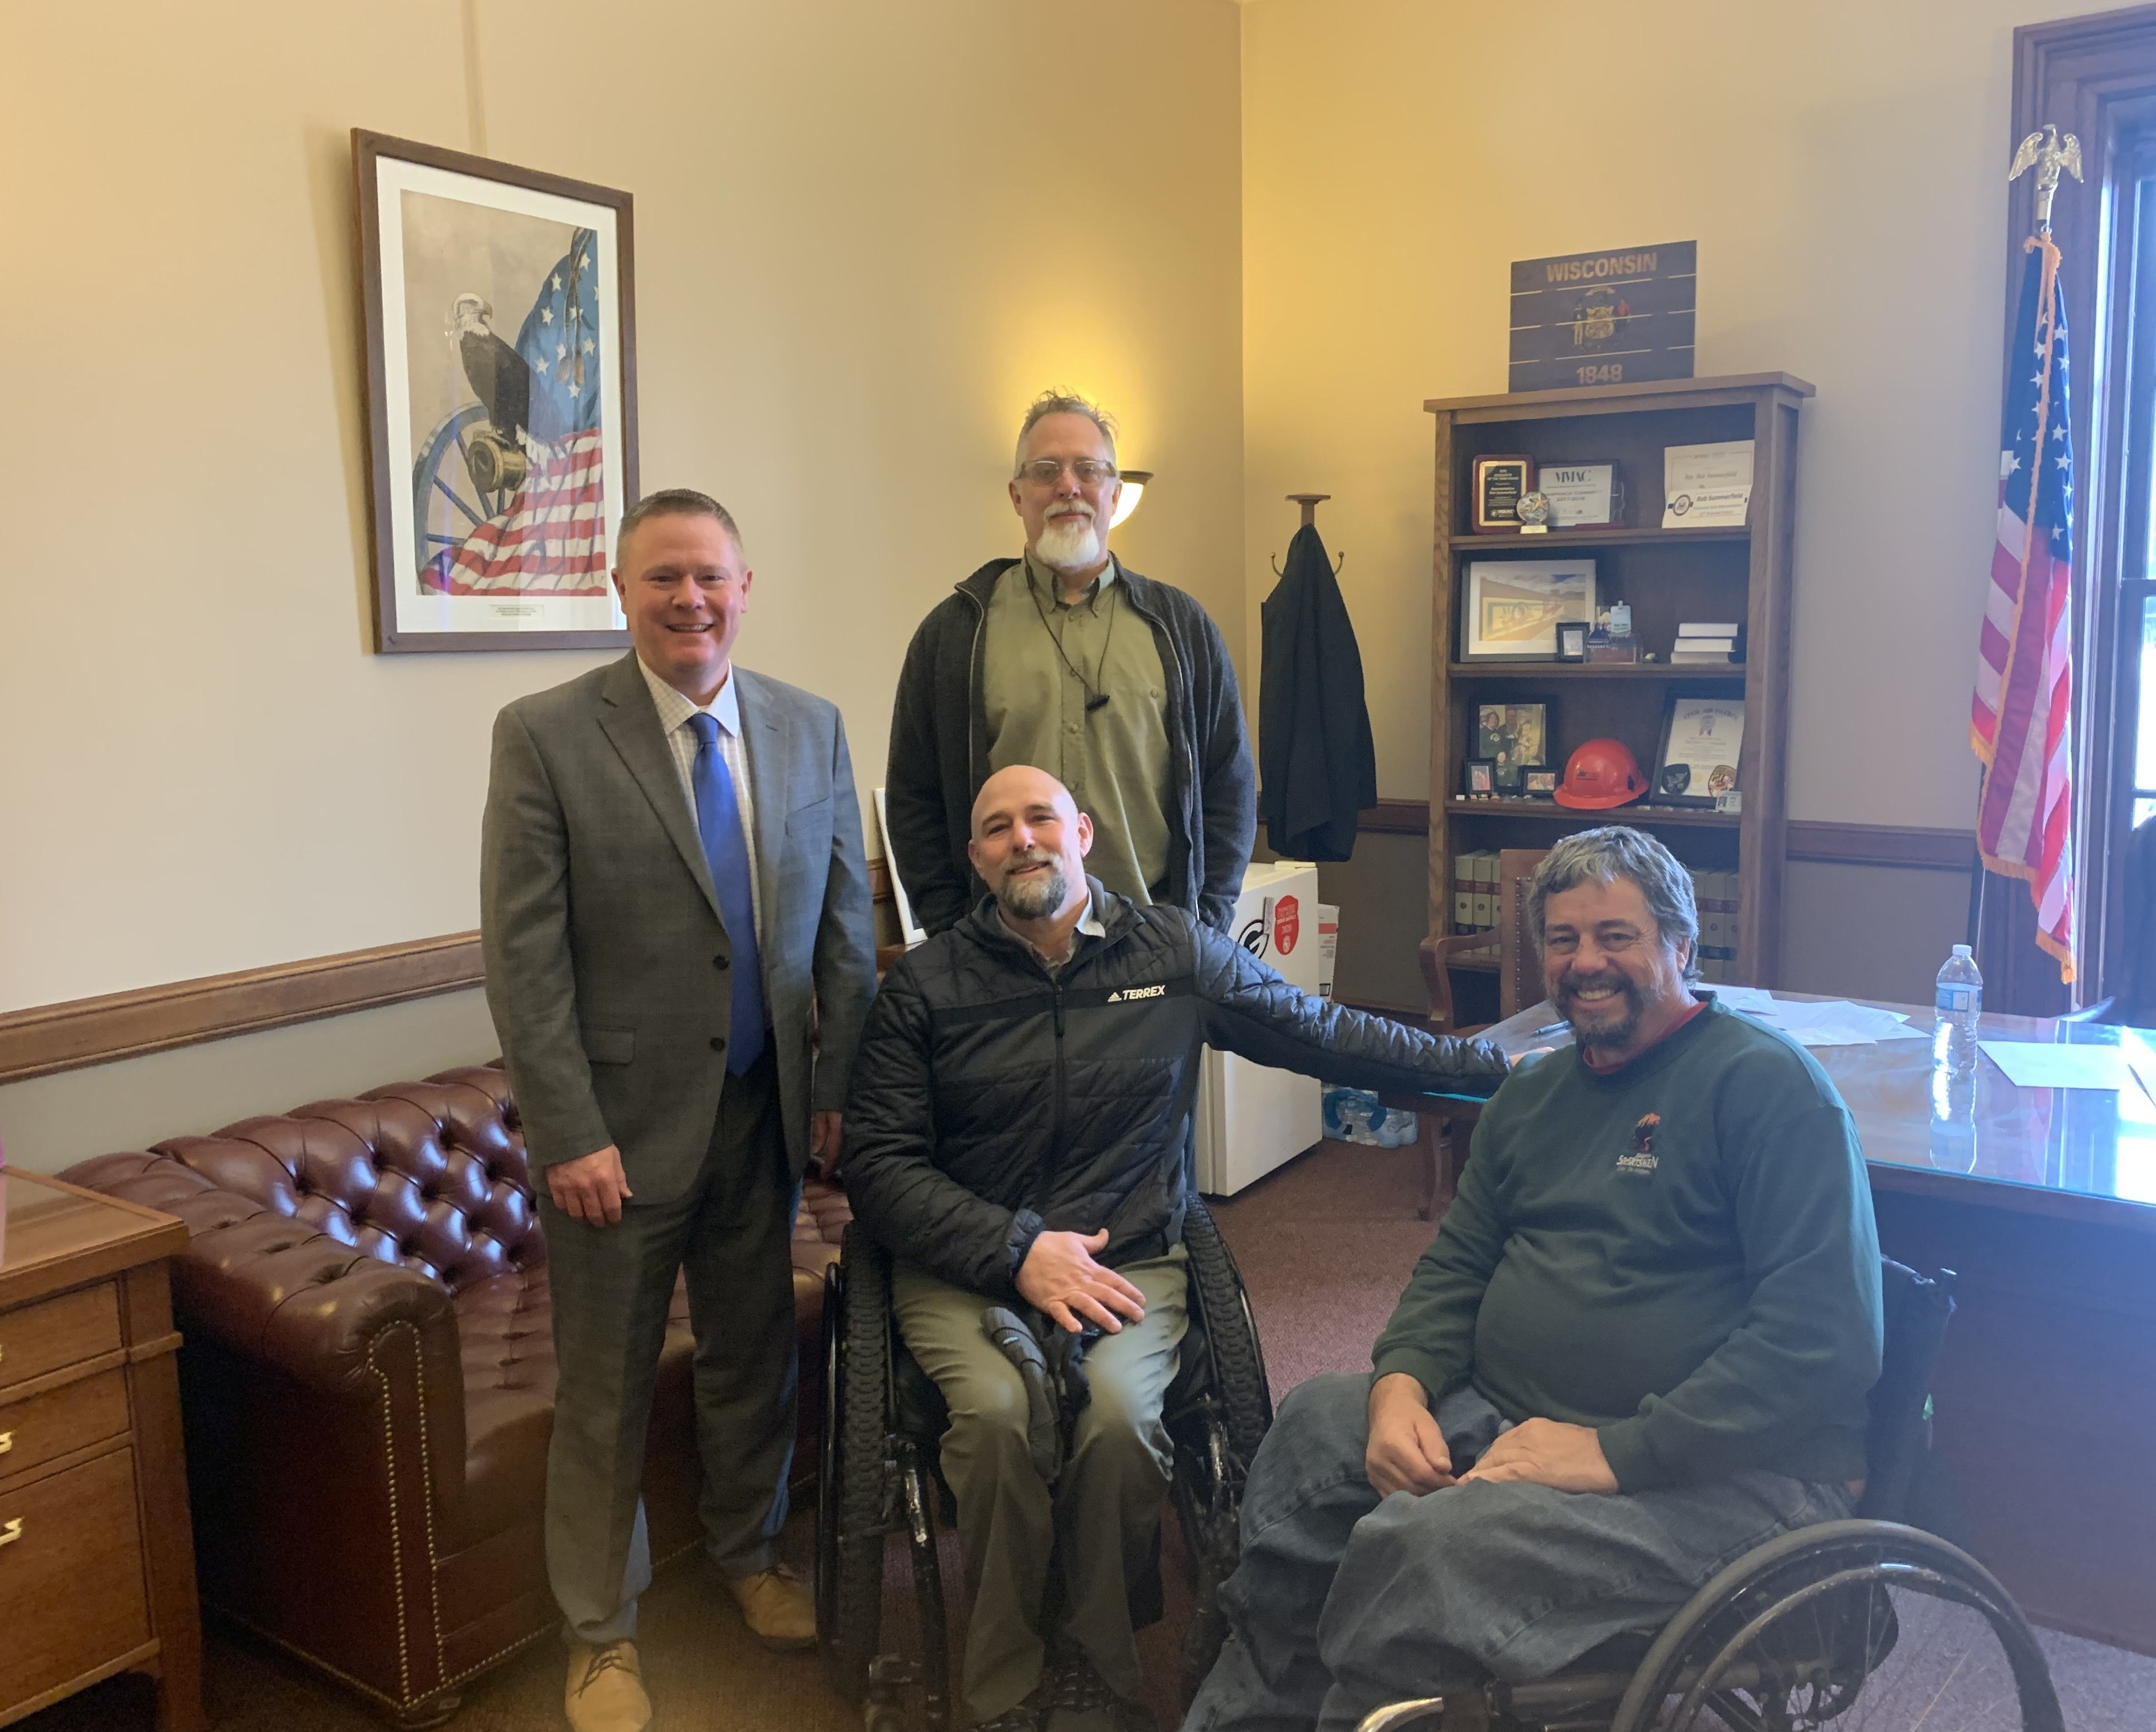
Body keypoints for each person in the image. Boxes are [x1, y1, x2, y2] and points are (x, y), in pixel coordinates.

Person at [841, 765, 1510, 1732]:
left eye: (1040, 818)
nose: (1022, 839)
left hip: (1129, 1251)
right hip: (965, 1258)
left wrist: (1496, 1068)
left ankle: (1097, 1662)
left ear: (1082, 830)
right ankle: (1002, 1681)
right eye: (995, 828)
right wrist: (1015, 1247)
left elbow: (1323, 1031)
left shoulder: (1172, 951)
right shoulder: (926, 986)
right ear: (975, 857)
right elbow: (881, 1163)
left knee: (1118, 1416)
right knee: (991, 1419)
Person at [1184, 826, 1884, 1732]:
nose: (1587, 962)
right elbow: (1459, 1264)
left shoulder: (1769, 1091)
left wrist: (1610, 1454)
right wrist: (1402, 1381)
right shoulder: (1533, 1094)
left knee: (1423, 1553)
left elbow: (1823, 1343)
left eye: (1616, 936)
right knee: (1318, 1431)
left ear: (1680, 945)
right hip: (1520, 1416)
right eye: (1563, 940)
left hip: (1732, 1474)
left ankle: (1370, 1709)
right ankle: (1257, 1715)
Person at [479, 488, 877, 1732]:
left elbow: (846, 938)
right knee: (602, 1395)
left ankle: (750, 1560)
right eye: (663, 579)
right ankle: (600, 1635)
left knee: (753, 1364)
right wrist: (567, 1133)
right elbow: (524, 960)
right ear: (622, 590)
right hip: (617, 1139)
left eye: (710, 576)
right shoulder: (544, 733)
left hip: (766, 1120)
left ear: (745, 589)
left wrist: (837, 1097)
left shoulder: (811, 730)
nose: (689, 599)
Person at [885, 390, 1255, 938]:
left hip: (1155, 938)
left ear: (1115, 492)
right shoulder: (955, 633)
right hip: (1004, 951)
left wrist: (1205, 923)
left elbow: (1229, 784)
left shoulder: (1181, 629)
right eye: (1045, 471)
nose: (1068, 486)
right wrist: (954, 932)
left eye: (1088, 469)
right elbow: (913, 797)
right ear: (1016, 495)